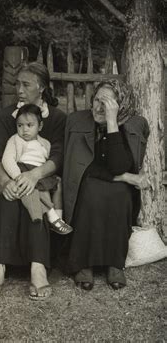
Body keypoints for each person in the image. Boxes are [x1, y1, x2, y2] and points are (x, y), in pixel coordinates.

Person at [0, 62, 66, 301]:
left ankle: (38, 268)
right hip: (10, 174)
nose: (19, 89)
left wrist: (34, 175)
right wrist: (6, 181)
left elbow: (58, 155)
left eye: (25, 84)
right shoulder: (7, 116)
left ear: (42, 88)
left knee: (36, 205)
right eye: (17, 83)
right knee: (8, 199)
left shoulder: (57, 118)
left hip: (40, 177)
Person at [63, 80, 149, 290]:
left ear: (120, 105)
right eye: (96, 100)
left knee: (119, 193)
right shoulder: (76, 121)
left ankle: (114, 263)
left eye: (107, 104)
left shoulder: (133, 124)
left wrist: (112, 122)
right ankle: (83, 263)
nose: (99, 108)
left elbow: (118, 165)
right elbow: (83, 167)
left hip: (115, 186)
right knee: (92, 190)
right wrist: (126, 177)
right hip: (87, 181)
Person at [0, 103, 71, 234]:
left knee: (58, 184)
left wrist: (43, 174)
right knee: (37, 189)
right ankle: (52, 217)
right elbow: (7, 159)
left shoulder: (45, 143)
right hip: (22, 171)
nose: (24, 130)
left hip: (38, 173)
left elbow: (48, 161)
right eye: (20, 126)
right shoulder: (15, 140)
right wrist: (18, 177)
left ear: (40, 126)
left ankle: (58, 217)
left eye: (29, 125)